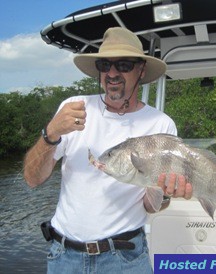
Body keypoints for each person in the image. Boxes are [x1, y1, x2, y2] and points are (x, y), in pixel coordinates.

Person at [23, 27, 193, 274]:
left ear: (141, 70)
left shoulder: (160, 124)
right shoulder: (73, 108)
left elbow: (150, 204)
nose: (112, 73)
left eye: (123, 65)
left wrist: (165, 193)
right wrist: (50, 134)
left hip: (125, 258)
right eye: (105, 65)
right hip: (64, 258)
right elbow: (31, 179)